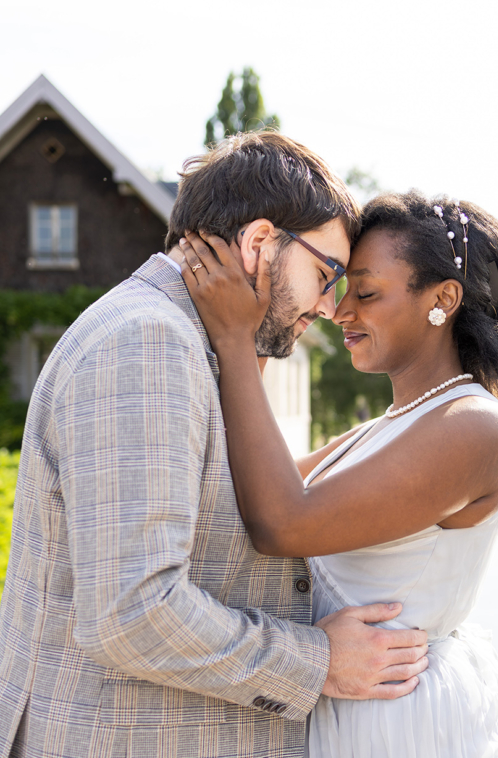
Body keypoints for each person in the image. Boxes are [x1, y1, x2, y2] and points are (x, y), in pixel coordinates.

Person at [0, 134, 430, 758]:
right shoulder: (148, 342)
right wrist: (319, 661)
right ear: (259, 244)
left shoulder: (186, 340)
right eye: (326, 274)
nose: (333, 306)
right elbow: (132, 611)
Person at [178, 189, 498, 757]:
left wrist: (235, 337)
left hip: (399, 726)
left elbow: (280, 523)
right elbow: (244, 490)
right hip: (349, 704)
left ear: (442, 299)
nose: (342, 311)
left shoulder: (474, 427)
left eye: (366, 292)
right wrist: (273, 320)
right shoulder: (394, 423)